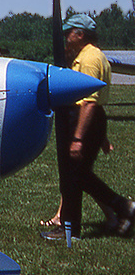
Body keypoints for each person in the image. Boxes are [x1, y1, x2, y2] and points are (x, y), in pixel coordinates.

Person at [42, 13, 135, 242]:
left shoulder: (89, 59)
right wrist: (100, 136)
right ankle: (114, 212)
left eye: (69, 33)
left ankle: (120, 208)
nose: (66, 37)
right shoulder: (89, 55)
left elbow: (90, 101)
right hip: (88, 119)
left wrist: (78, 138)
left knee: (75, 177)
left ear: (80, 34)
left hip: (82, 118)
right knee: (77, 176)